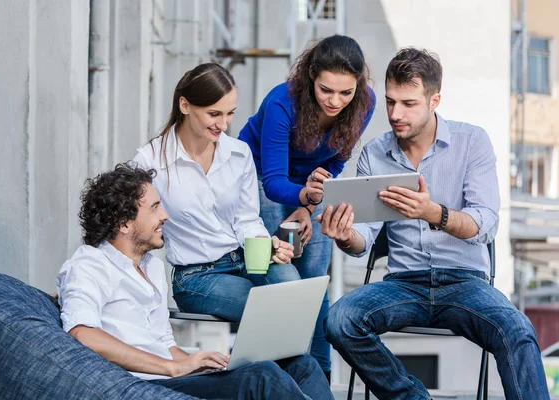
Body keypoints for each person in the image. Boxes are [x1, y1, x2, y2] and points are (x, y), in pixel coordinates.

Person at [319, 48, 549, 399]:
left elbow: (486, 224)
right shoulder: (375, 153)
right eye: (390, 101)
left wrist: (434, 214)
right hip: (402, 284)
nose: (396, 114)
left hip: (465, 283)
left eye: (408, 103)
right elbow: (363, 237)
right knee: (340, 320)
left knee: (517, 329)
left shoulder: (472, 142)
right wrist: (345, 235)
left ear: (434, 100)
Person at [57, 163, 333, 400]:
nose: (165, 215)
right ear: (124, 223)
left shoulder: (150, 267)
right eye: (154, 208)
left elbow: (165, 344)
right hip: (145, 385)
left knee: (301, 363)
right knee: (262, 377)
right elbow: (83, 334)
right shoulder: (88, 265)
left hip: (171, 375)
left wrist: (200, 363)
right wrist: (172, 368)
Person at [237, 34, 376, 376]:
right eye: (326, 90)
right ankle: (281, 372)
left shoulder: (365, 102)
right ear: (312, 75)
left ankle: (320, 375)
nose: (336, 101)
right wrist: (306, 197)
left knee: (314, 277)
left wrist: (309, 203)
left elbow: (337, 160)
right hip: (258, 176)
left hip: (310, 187)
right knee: (284, 273)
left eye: (346, 92)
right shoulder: (281, 104)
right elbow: (271, 181)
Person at [132, 63, 301, 322]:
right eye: (214, 114)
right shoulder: (150, 161)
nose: (223, 124)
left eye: (230, 113)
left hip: (245, 259)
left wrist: (267, 245)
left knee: (295, 293)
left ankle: (297, 364)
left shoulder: (238, 153)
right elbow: (133, 227)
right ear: (185, 106)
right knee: (271, 310)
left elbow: (246, 219)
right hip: (196, 277)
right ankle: (281, 364)